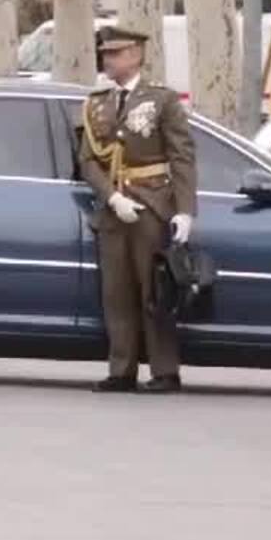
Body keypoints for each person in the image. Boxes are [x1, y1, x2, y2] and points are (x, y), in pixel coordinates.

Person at [77, 25, 197, 394]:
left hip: (152, 203)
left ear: (135, 55)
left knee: (153, 290)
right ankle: (122, 369)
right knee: (116, 292)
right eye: (105, 54)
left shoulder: (161, 100)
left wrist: (185, 209)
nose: (107, 60)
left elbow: (182, 155)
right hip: (116, 209)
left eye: (114, 53)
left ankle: (164, 370)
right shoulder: (97, 102)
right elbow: (88, 160)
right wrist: (112, 197)